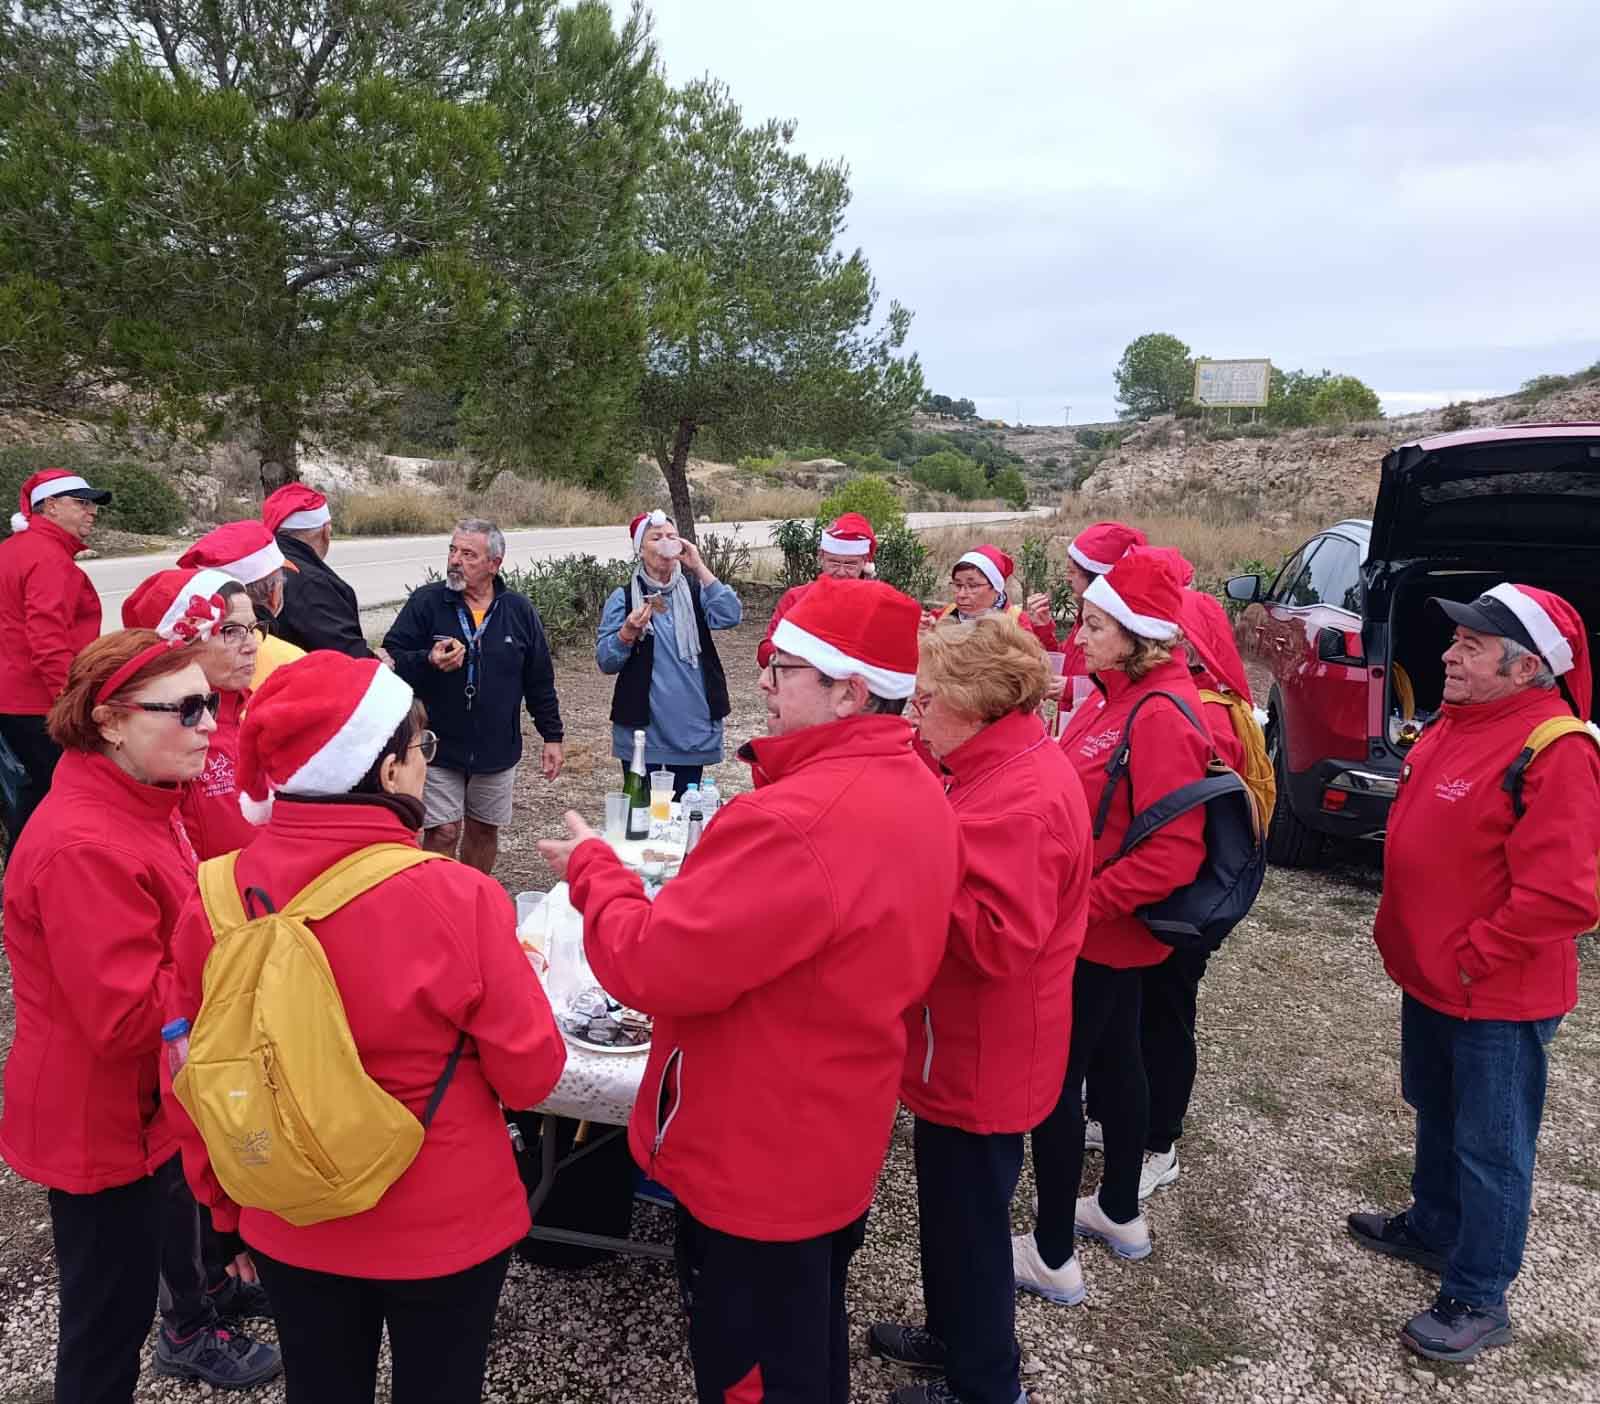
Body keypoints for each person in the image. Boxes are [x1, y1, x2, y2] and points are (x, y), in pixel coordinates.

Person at [540, 576, 961, 1404]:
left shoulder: (796, 820)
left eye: (785, 667)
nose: (761, 682)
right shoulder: (916, 785)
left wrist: (598, 870)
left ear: (851, 691)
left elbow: (651, 965)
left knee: (755, 1366)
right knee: (805, 1332)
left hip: (759, 1150)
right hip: (833, 1122)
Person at [166, 650, 568, 1403]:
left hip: (289, 1211)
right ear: (386, 772)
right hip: (444, 1218)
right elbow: (532, 1074)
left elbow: (192, 1073)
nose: (424, 767)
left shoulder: (213, 897)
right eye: (422, 752)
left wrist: (225, 1212)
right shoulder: (458, 897)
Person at [0, 627, 282, 1400]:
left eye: (210, 704)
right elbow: (127, 1017)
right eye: (186, 709)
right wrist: (241, 969)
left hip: (146, 1108)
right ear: (110, 719)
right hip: (99, 1124)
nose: (208, 726)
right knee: (104, 1325)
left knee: (148, 1265)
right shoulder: (84, 845)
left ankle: (200, 1302)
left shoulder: (142, 799)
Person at [1347, 584, 1600, 1362]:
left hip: (1492, 991)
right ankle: (1433, 1226)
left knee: (1492, 1144)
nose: (1449, 655)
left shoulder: (1556, 747)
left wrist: (1473, 953)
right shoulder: (1459, 722)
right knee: (1435, 1107)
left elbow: (1565, 895)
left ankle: (1480, 1295)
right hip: (1435, 977)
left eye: (1469, 646)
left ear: (1525, 667)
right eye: (1455, 640)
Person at [868, 617, 1091, 1404]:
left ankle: (986, 1385)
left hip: (984, 1051)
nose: (914, 713)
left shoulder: (1022, 799)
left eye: (925, 700)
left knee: (970, 1223)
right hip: (958, 1042)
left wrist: (905, 870)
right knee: (951, 1208)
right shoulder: (991, 761)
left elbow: (996, 940)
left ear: (972, 704)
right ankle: (953, 1332)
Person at [1015, 548, 1211, 1304]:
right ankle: (1120, 1211)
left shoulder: (1160, 711)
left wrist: (1079, 906)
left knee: (1058, 1083)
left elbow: (1172, 851)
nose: (1079, 633)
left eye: (1095, 623)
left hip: (1100, 932)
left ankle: (1051, 1251)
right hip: (1104, 931)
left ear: (1138, 634)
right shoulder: (1115, 694)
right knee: (1120, 1060)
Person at [383, 518, 564, 874]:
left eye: (468, 554)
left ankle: (474, 897)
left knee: (483, 829)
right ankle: (439, 902)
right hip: (437, 744)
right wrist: (428, 659)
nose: (455, 560)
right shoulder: (427, 602)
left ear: (494, 564)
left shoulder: (518, 611)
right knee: (443, 831)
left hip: (496, 747)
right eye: (453, 550)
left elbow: (539, 679)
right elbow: (391, 660)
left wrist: (552, 735)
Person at [597, 509, 742, 798]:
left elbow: (730, 615)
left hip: (691, 729)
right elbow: (606, 661)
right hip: (642, 733)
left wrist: (699, 567)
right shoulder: (624, 598)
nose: (665, 542)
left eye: (671, 536)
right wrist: (626, 633)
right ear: (640, 549)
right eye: (656, 537)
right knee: (640, 820)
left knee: (683, 817)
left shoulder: (695, 591)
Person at [0, 468, 110, 837]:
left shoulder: (12, 549)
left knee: (28, 798)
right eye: (81, 503)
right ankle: (32, 884)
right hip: (37, 702)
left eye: (93, 504)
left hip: (12, 699)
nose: (91, 511)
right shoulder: (48, 557)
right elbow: (48, 641)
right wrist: (70, 702)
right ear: (49, 506)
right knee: (50, 803)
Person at [122, 567, 261, 860]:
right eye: (231, 632)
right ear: (183, 643)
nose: (251, 646)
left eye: (252, 629)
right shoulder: (164, 731)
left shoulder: (244, 709)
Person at [179, 519, 306, 688]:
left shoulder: (178, 650)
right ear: (274, 595)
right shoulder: (291, 661)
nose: (250, 645)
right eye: (230, 631)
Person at [263, 483, 377, 658]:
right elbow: (345, 655)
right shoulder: (312, 584)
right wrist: (376, 662)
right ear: (326, 530)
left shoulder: (261, 566)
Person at [756, 512, 877, 668]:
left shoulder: (878, 603)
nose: (840, 571)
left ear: (864, 562)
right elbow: (765, 651)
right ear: (821, 558)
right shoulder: (797, 597)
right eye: (833, 562)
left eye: (850, 564)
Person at [925, 546, 1060, 652]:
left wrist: (1043, 629)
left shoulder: (1016, 621)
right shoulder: (944, 614)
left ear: (996, 588)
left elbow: (1041, 662)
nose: (961, 594)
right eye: (958, 585)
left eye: (973, 586)